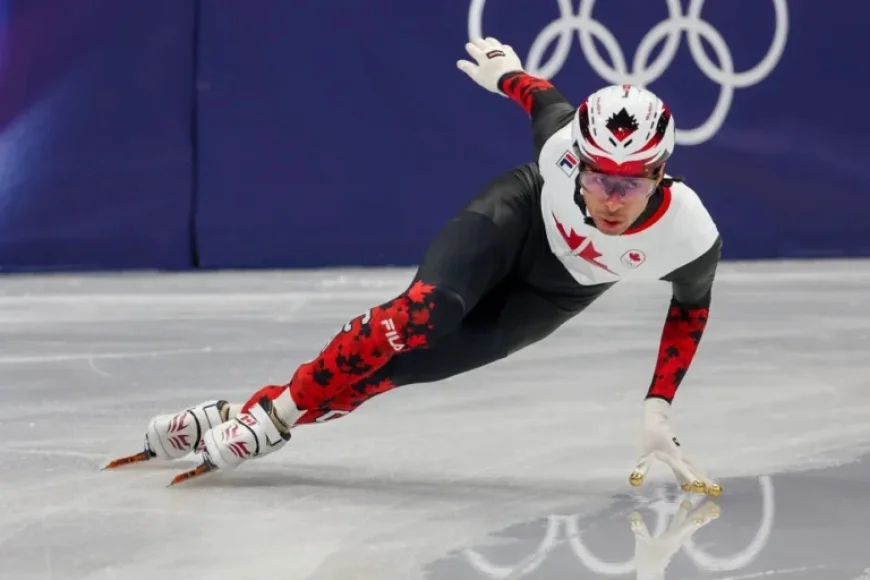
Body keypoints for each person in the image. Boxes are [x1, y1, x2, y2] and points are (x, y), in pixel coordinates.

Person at [106, 37, 722, 496]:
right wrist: (506, 72)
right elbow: (543, 98)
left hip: (554, 294)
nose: (610, 198)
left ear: (660, 171)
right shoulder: (561, 147)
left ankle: (238, 413)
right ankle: (274, 416)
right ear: (578, 161)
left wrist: (657, 406)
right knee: (425, 312)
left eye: (630, 182)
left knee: (387, 374)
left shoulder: (689, 232)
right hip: (515, 220)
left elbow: (690, 309)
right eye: (597, 176)